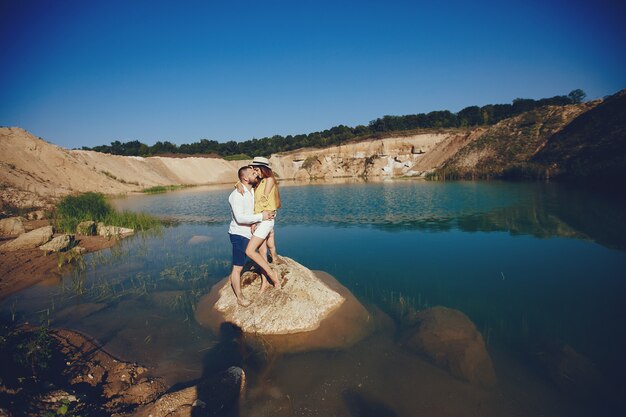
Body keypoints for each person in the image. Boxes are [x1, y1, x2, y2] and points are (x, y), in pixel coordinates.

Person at [228, 165, 274, 306]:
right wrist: (262, 216)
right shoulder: (236, 194)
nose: (255, 173)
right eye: (252, 173)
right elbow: (240, 218)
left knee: (262, 253)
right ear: (245, 178)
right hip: (239, 234)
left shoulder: (252, 189)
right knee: (238, 267)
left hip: (251, 232)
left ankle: (266, 281)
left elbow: (268, 178)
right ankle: (240, 297)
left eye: (255, 171)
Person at [245, 157, 282, 292]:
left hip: (266, 220)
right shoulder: (258, 183)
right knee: (261, 252)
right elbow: (244, 182)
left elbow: (263, 201)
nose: (254, 172)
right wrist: (239, 183)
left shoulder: (269, 180)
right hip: (260, 219)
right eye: (253, 170)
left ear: (263, 168)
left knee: (249, 251)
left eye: (256, 169)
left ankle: (273, 276)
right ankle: (264, 282)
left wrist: (262, 216)